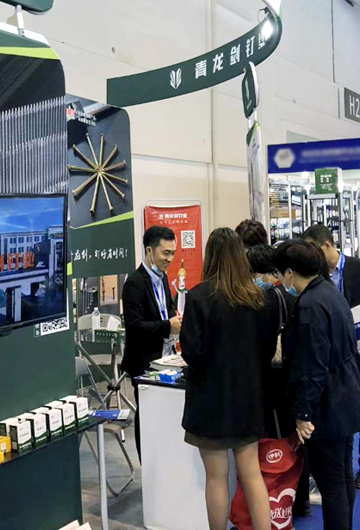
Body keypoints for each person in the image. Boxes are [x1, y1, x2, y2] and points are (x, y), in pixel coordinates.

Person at [180, 228, 277, 530]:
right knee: (251, 474)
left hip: (209, 399)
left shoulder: (198, 296)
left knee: (216, 477)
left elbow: (191, 352)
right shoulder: (259, 298)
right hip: (248, 397)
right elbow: (267, 350)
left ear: (209, 256)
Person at [274, 240, 360, 530]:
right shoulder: (329, 292)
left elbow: (312, 366)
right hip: (347, 395)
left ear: (289, 273)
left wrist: (303, 413)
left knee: (331, 483)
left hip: (328, 406)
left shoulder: (309, 306)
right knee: (342, 475)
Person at [301, 224, 360, 489]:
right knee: (333, 407)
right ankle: (335, 464)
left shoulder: (359, 268)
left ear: (327, 245)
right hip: (329, 355)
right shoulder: (316, 275)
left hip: (359, 351)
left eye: (314, 249)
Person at [247, 243, 311, 519]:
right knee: (296, 441)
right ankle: (300, 498)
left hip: (272, 383)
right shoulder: (294, 295)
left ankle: (278, 502)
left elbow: (259, 347)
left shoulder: (266, 300)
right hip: (293, 379)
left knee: (274, 445)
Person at [121, 225, 182, 460]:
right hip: (143, 363)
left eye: (173, 253)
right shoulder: (134, 283)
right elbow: (135, 327)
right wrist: (167, 326)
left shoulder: (162, 277)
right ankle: (147, 464)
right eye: (165, 253)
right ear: (149, 251)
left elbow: (166, 309)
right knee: (147, 417)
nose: (170, 259)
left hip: (165, 359)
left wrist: (175, 319)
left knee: (165, 416)